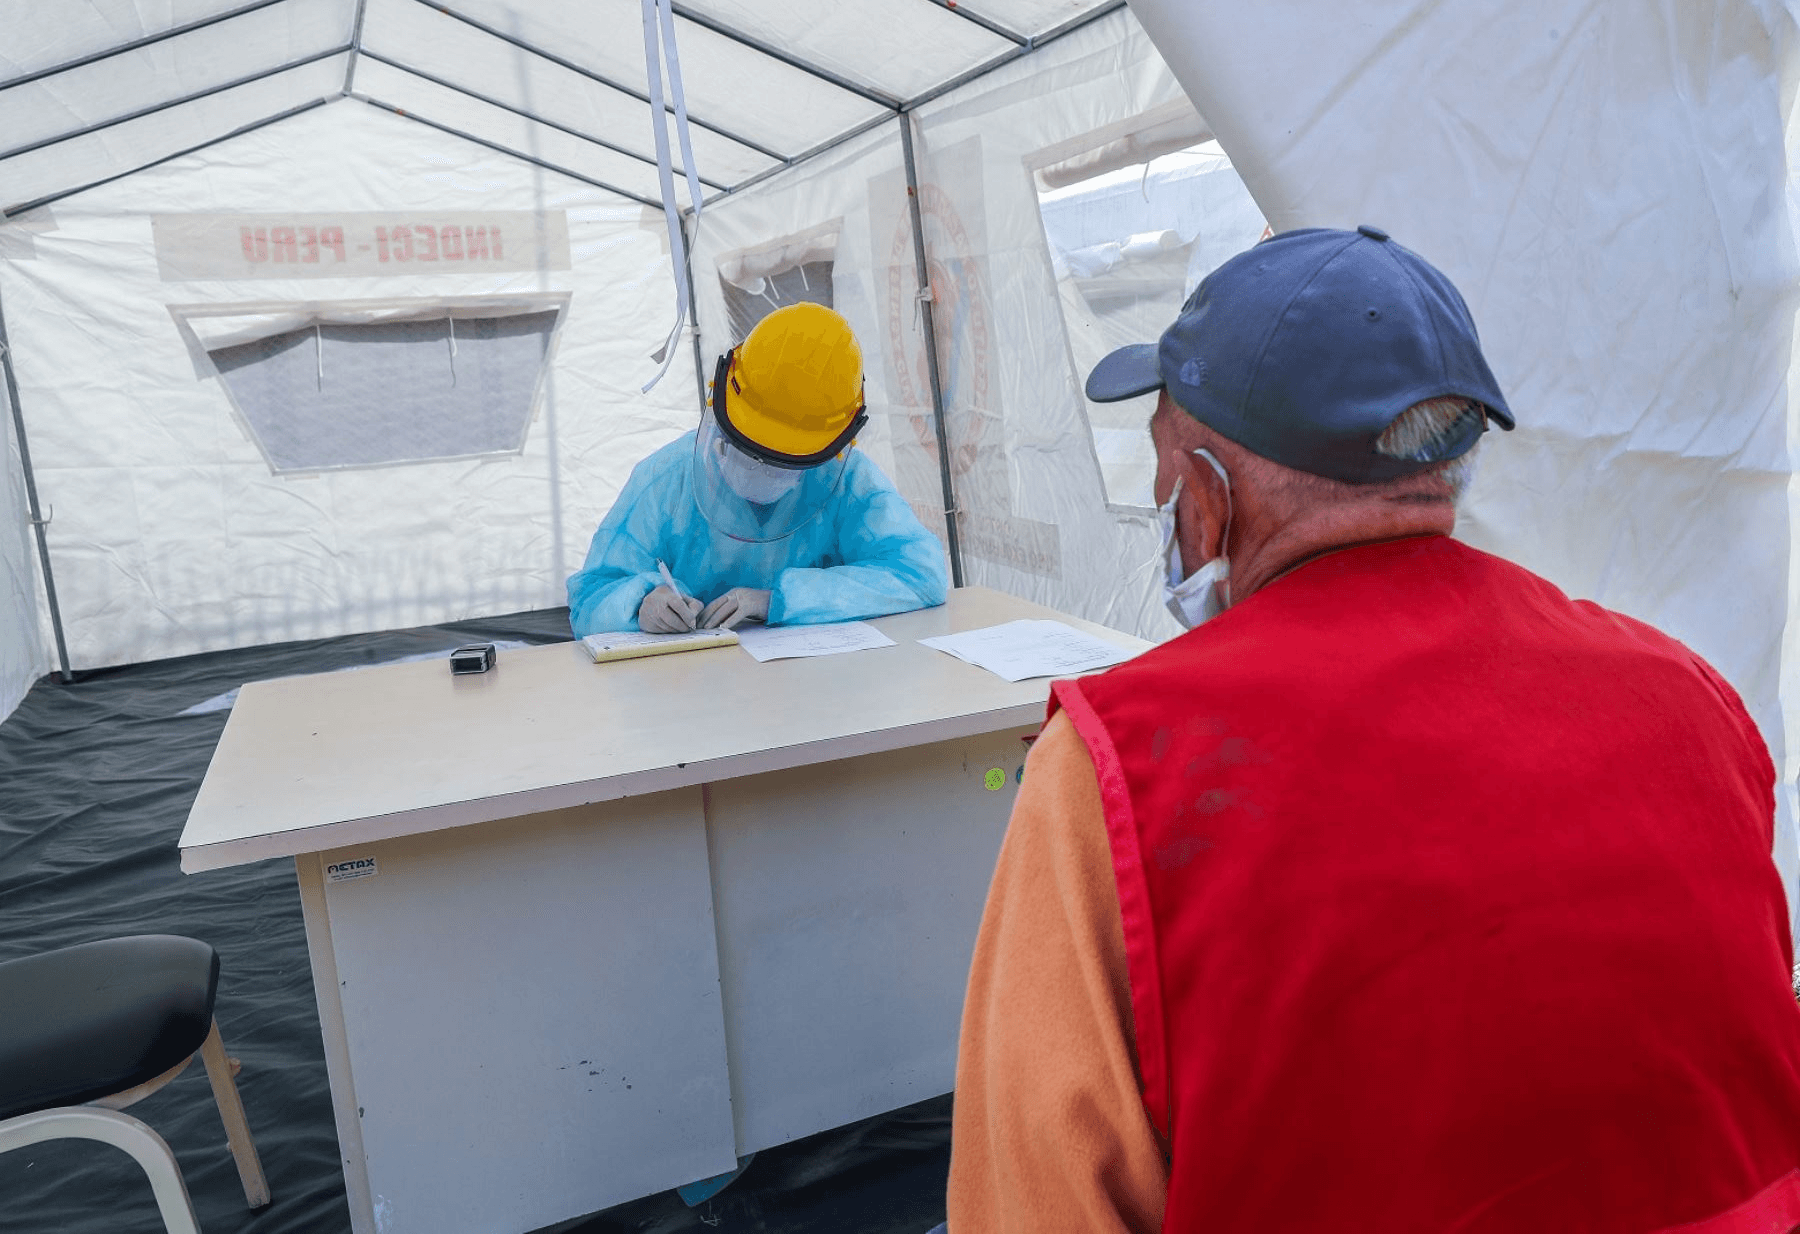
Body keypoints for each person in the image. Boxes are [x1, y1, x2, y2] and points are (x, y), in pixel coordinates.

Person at [945, 226, 1800, 1232]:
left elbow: (1032, 1202)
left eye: (1162, 468)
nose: (1161, 506)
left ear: (1209, 499)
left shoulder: (1118, 768)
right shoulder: (1689, 694)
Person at [567, 302, 948, 637]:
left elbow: (921, 574)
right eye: (748, 447)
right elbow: (589, 598)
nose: (764, 470)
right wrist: (641, 602)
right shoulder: (665, 479)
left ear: (834, 446)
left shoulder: (848, 480)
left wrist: (776, 601)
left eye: (787, 461)